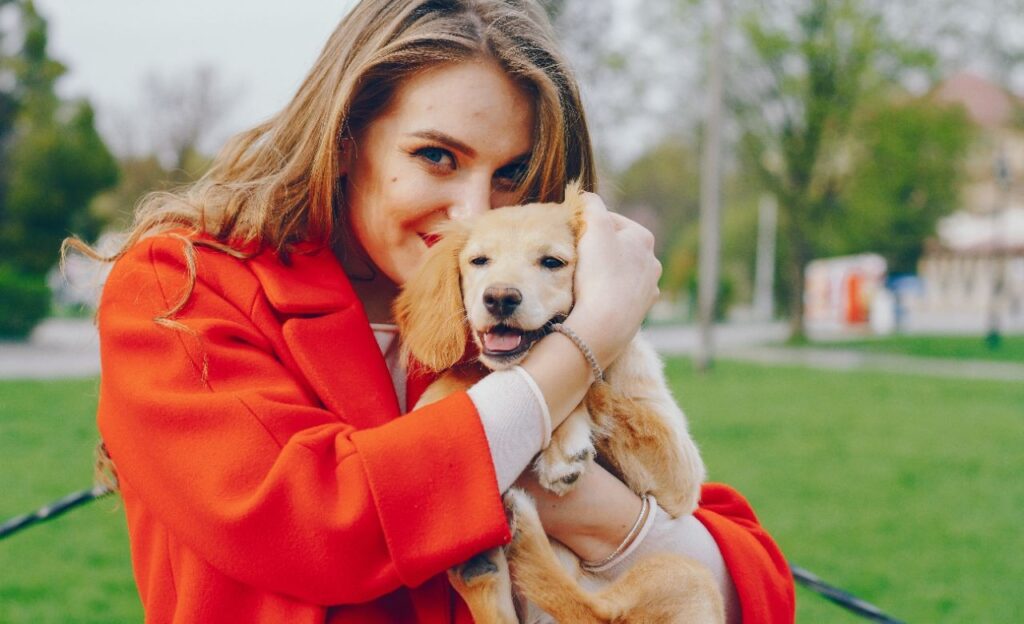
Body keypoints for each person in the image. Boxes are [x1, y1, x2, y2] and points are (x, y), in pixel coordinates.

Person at [76, 1, 794, 622]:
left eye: (512, 174)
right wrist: (583, 346)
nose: (475, 213)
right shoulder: (183, 287)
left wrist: (613, 525)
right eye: (438, 158)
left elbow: (746, 590)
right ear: (346, 137)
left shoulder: (517, 316)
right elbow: (316, 520)